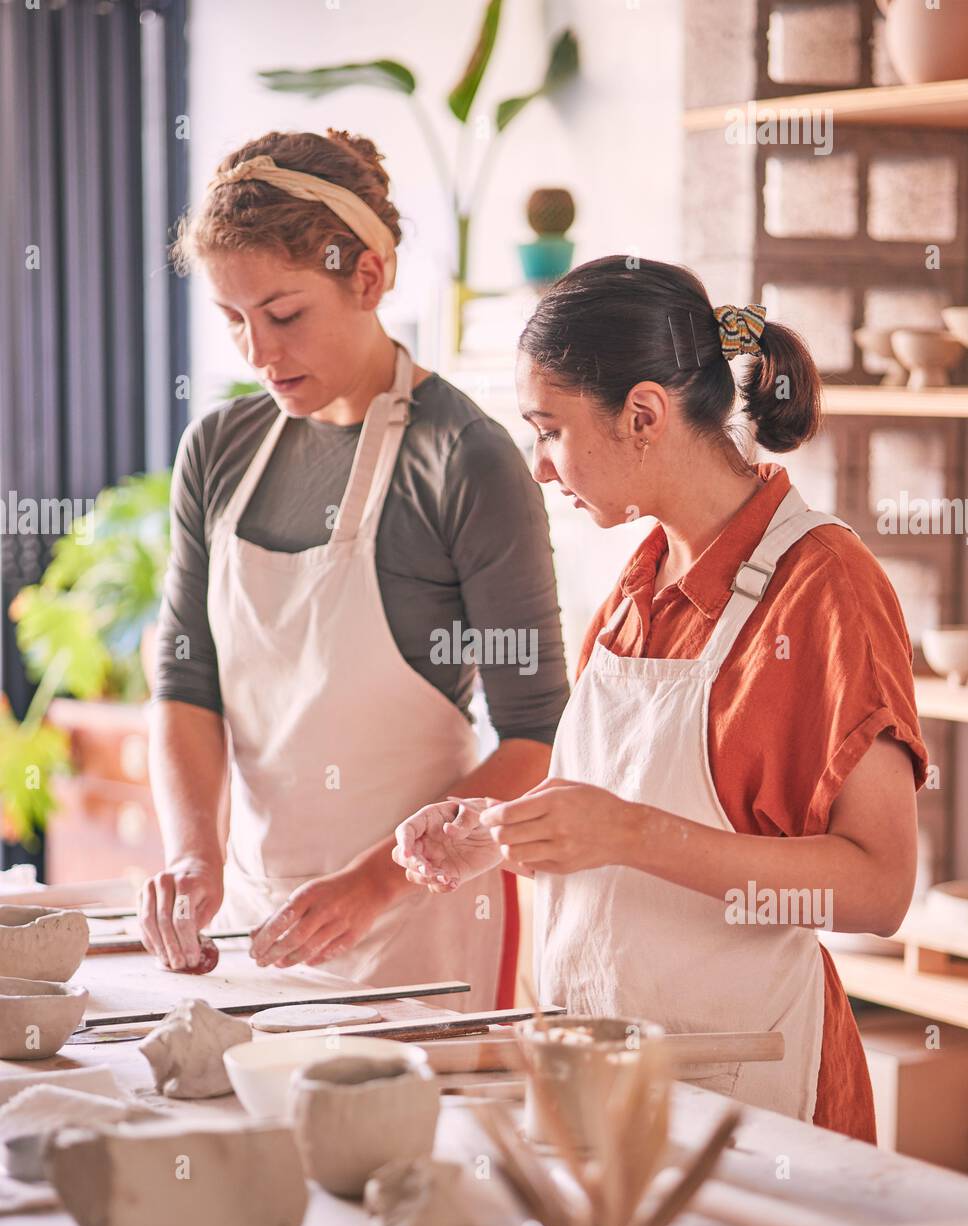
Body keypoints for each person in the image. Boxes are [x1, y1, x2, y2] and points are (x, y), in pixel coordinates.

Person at [393, 257, 928, 1137]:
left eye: (550, 431)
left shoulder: (826, 583)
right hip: (599, 1069)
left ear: (643, 415)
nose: (539, 468)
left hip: (750, 1093)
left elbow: (878, 888)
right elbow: (615, 813)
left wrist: (628, 833)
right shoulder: (641, 576)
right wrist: (495, 832)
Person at [137, 130, 569, 1010]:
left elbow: (537, 740)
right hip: (255, 924)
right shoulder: (218, 450)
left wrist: (375, 884)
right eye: (234, 319)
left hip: (422, 932)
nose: (257, 354)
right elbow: (186, 685)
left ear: (368, 277)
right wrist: (195, 854)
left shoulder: (467, 460)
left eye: (284, 314)